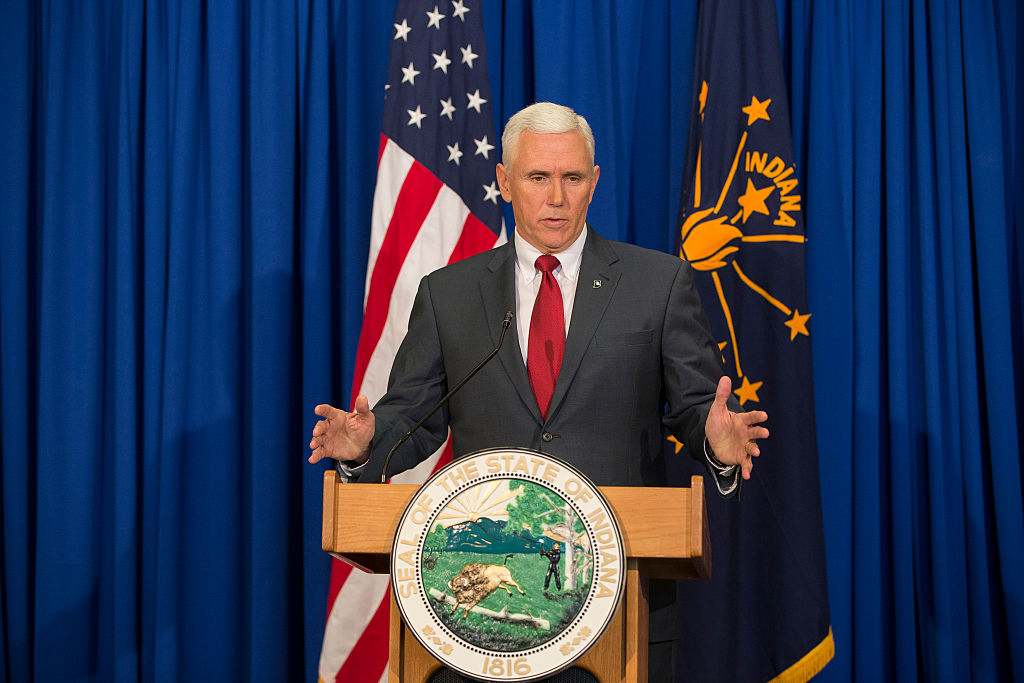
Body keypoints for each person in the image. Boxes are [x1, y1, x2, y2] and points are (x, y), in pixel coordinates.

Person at [309, 102, 769, 677]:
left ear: (594, 183)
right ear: (504, 181)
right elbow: (415, 415)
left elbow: (695, 409)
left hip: (615, 603)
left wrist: (715, 442)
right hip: (481, 615)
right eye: (538, 177)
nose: (557, 197)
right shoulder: (449, 294)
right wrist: (366, 445)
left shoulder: (658, 284)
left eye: (572, 178)